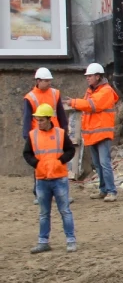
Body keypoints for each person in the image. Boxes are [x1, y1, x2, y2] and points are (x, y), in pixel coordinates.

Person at [24, 103, 77, 255]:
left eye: (41, 120)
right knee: (43, 213)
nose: (38, 122)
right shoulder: (33, 135)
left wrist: (60, 161)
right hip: (42, 180)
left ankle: (71, 240)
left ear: (49, 119)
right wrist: (36, 164)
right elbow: (27, 153)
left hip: (59, 178)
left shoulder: (60, 133)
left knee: (65, 211)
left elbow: (70, 150)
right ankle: (43, 242)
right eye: (37, 120)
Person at [66, 62, 119, 202]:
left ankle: (111, 191)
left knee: (104, 163)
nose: (87, 78)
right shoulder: (91, 91)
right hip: (93, 134)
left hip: (102, 134)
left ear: (97, 76)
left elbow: (92, 106)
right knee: (98, 164)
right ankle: (103, 190)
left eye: (89, 76)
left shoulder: (106, 91)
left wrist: (74, 102)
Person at [22, 67, 68, 202]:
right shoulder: (30, 97)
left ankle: (61, 192)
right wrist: (27, 136)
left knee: (58, 163)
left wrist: (64, 130)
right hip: (38, 136)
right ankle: (38, 193)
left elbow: (61, 114)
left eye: (49, 80)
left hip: (56, 134)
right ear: (38, 81)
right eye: (46, 81)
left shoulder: (55, 93)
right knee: (39, 164)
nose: (49, 83)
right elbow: (26, 119)